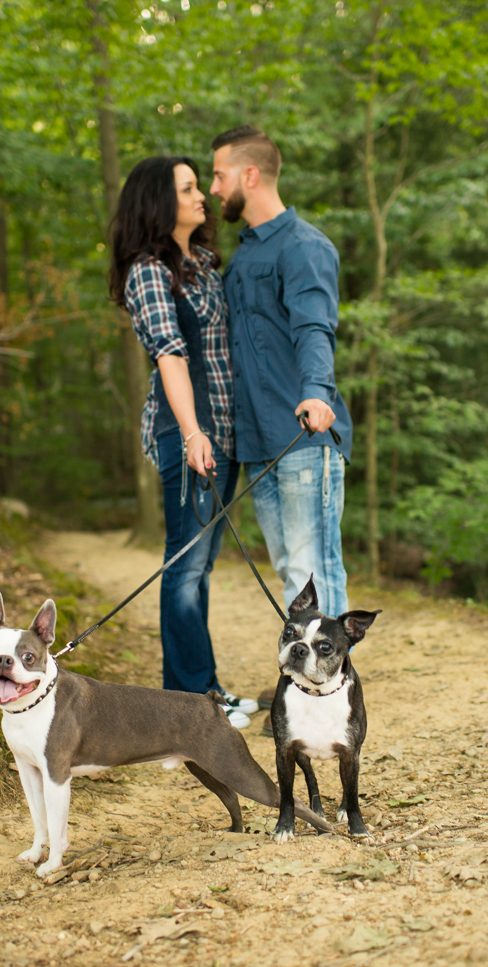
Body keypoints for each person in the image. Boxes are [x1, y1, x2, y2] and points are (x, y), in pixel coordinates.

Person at [210, 127, 353, 718]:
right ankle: (307, 686)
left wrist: (317, 393)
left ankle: (333, 697)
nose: (213, 187)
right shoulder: (244, 256)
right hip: (258, 444)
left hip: (303, 436)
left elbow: (314, 327)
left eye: (219, 175)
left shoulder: (303, 246)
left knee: (314, 570)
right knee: (293, 579)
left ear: (249, 176)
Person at [110, 156, 258, 728]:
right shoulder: (149, 271)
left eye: (200, 185)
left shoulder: (203, 264)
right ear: (158, 202)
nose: (202, 196)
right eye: (188, 188)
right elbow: (170, 357)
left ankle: (202, 695)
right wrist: (194, 433)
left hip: (222, 434)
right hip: (187, 436)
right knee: (185, 567)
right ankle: (192, 705)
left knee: (200, 568)